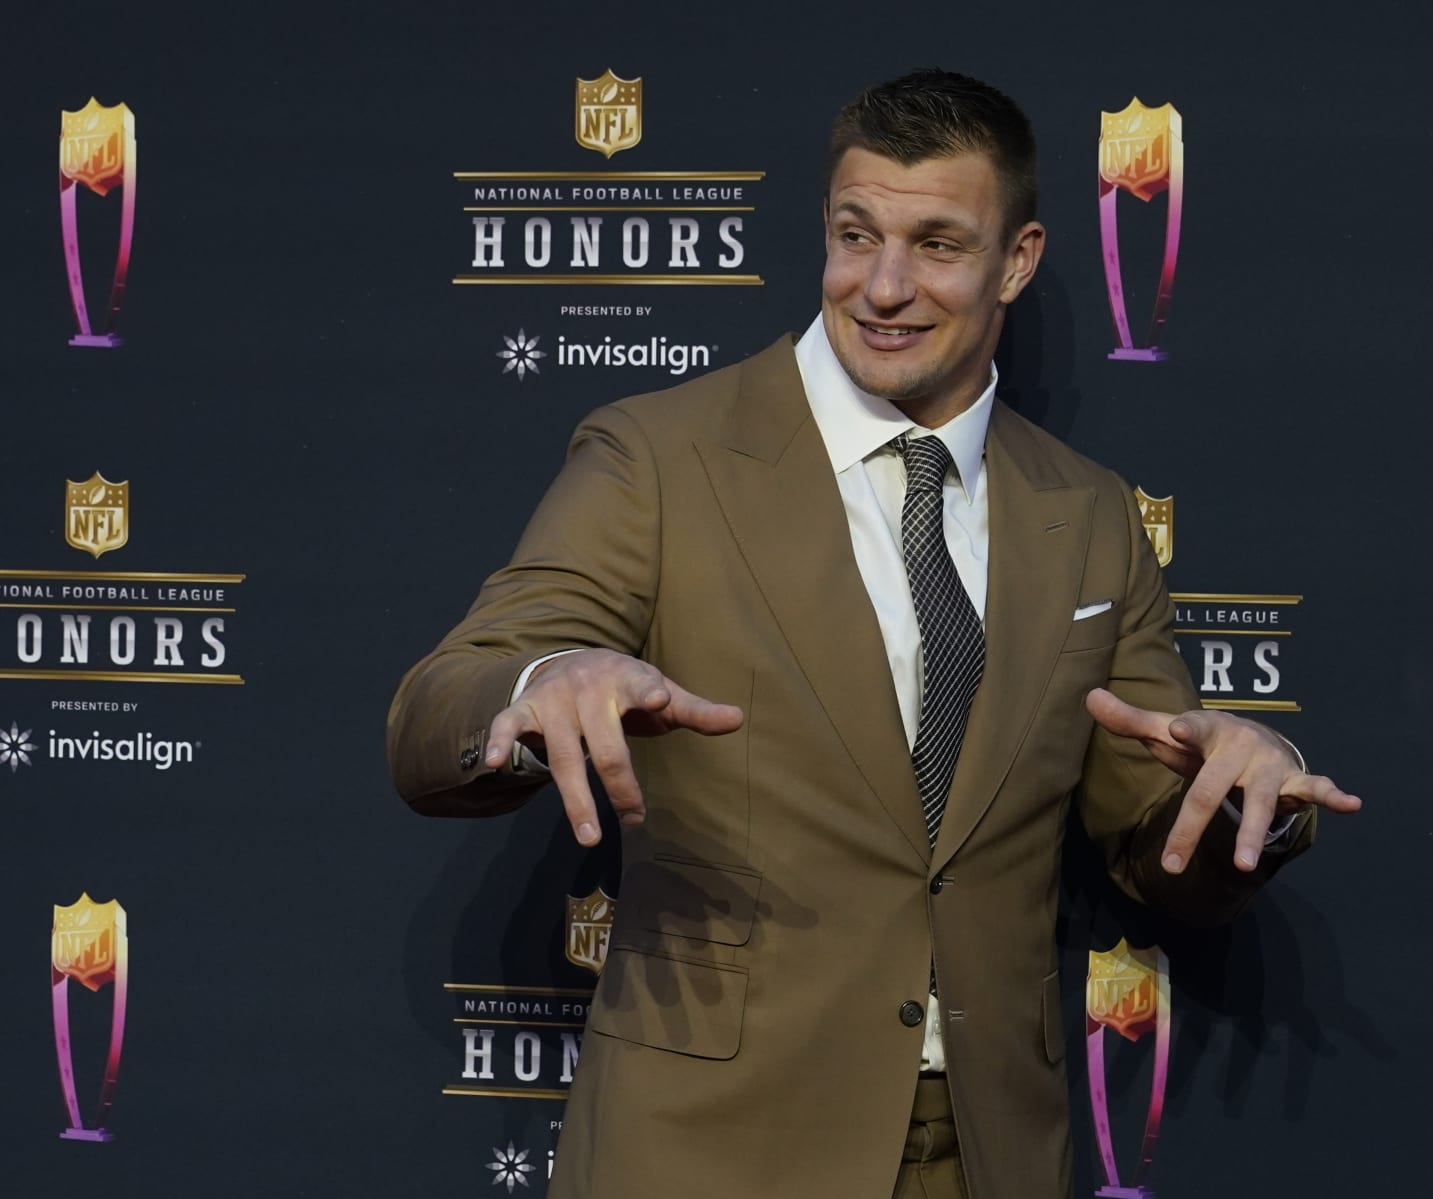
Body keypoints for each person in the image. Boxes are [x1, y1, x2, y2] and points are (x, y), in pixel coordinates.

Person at [387, 69, 1361, 1199]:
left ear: (1019, 261)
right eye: (857, 236)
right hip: (712, 1150)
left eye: (938, 245)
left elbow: (1157, 837)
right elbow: (438, 708)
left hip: (991, 1154)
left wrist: (1246, 795)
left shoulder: (1091, 512)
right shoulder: (659, 456)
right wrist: (542, 680)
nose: (884, 287)